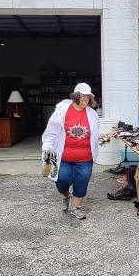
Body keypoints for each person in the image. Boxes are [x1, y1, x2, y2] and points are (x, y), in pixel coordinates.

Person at [41, 82, 100, 219]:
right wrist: (47, 148)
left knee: (82, 181)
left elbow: (97, 132)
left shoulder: (92, 114)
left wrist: (103, 137)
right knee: (61, 180)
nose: (86, 99)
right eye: (83, 96)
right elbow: (51, 132)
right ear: (76, 96)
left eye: (88, 97)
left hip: (85, 157)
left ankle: (77, 207)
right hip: (63, 157)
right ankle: (66, 195)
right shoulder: (62, 110)